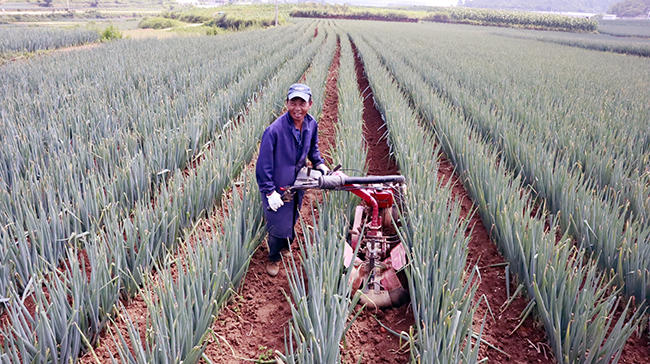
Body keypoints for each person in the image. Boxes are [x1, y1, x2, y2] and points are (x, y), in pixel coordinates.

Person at [255, 83, 329, 276]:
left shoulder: (311, 124)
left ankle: (286, 244)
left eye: (302, 103)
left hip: (298, 183)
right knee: (277, 223)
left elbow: (313, 148)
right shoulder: (274, 130)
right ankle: (273, 257)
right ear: (287, 103)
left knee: (293, 216)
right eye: (293, 102)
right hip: (277, 185)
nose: (298, 107)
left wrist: (319, 163)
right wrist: (269, 192)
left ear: (310, 104)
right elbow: (263, 165)